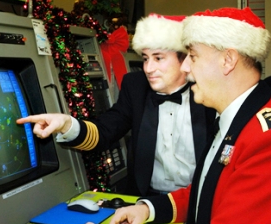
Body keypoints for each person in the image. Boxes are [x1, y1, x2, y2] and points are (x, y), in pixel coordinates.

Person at [72, 7, 271, 224]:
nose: (186, 68)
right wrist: (147, 210)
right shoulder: (238, 118)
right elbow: (210, 190)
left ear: (228, 60)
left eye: (193, 56)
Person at [17, 14, 215, 196]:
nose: (148, 68)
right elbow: (105, 130)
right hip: (147, 200)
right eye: (145, 59)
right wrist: (66, 124)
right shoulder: (136, 87)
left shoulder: (210, 90)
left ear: (185, 60)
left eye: (158, 58)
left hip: (200, 201)